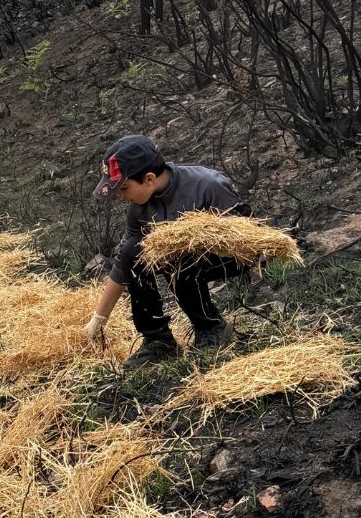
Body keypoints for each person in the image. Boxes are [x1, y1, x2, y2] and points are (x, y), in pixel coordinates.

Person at [82, 135, 250, 367]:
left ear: (149, 179)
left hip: (230, 256)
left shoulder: (208, 185)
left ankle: (210, 328)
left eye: (124, 188)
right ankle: (158, 341)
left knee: (175, 255)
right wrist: (98, 320)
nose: (120, 195)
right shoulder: (138, 209)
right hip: (183, 260)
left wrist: (194, 240)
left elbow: (246, 236)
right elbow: (124, 262)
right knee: (133, 250)